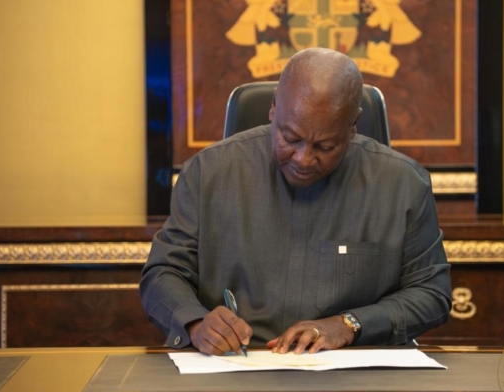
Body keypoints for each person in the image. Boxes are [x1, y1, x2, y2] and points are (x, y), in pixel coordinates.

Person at [140, 47, 451, 356]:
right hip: (235, 367)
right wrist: (196, 323)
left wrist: (350, 324)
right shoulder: (209, 173)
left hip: (351, 370)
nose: (303, 158)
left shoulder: (402, 184)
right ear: (274, 106)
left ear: (353, 124)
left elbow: (431, 294)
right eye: (290, 138)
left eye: (325, 146)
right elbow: (163, 273)